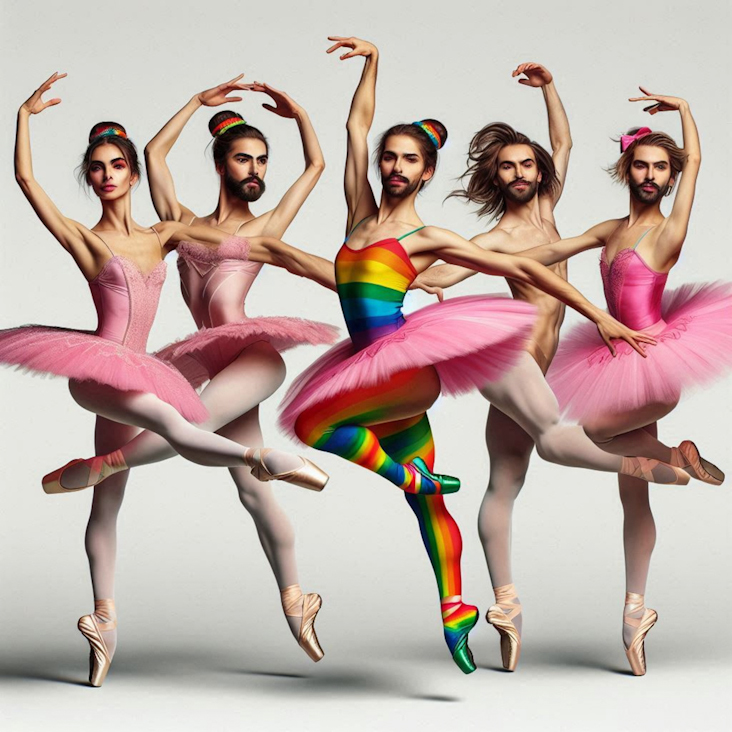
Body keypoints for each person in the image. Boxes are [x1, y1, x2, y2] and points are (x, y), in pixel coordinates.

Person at [278, 38, 688, 674]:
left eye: (408, 159)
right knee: (499, 465)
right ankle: (508, 595)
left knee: (463, 491)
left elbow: (556, 175)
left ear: (427, 172)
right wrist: (372, 63)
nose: (391, 165)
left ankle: (458, 609)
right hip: (467, 361)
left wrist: (599, 316)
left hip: (477, 365)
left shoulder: (514, 220)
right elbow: (357, 133)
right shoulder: (398, 222)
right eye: (388, 157)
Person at [2, 73, 332, 686]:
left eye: (116, 165)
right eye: (98, 167)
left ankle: (116, 598)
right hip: (116, 364)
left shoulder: (179, 234)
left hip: (202, 358)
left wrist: (298, 115)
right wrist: (23, 114)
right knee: (191, 447)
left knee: (150, 464)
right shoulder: (121, 232)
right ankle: (268, 477)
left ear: (127, 174)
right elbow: (31, 180)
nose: (108, 175)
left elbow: (310, 173)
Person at [517, 88, 732, 674]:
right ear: (626, 170)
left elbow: (699, 166)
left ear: (669, 176)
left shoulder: (668, 233)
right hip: (611, 363)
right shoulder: (610, 227)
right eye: (641, 164)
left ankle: (672, 453)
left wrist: (687, 110)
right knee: (632, 490)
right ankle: (637, 611)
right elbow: (545, 252)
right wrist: (466, 260)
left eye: (661, 168)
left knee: (591, 432)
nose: (650, 175)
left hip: (656, 355)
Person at [414, 61, 572, 671]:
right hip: (517, 368)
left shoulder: (551, 206)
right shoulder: (498, 240)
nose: (520, 173)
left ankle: (504, 605)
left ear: (539, 172)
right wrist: (394, 275)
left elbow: (563, 141)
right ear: (495, 177)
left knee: (505, 482)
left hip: (547, 364)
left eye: (526, 164)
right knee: (561, 442)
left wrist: (550, 88)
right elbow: (444, 272)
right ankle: (653, 462)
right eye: (507, 166)